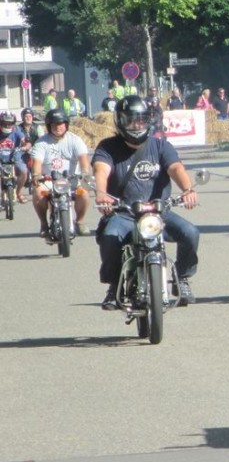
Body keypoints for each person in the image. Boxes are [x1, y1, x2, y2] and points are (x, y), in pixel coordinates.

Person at [93, 96, 200, 309]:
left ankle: (183, 278)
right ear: (121, 122)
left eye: (141, 120)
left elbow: (176, 168)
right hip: (124, 213)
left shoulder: (160, 145)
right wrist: (101, 193)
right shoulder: (108, 147)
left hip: (158, 212)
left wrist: (187, 189)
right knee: (110, 237)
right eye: (132, 120)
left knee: (190, 232)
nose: (137, 125)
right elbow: (100, 170)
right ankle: (114, 285)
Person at [30, 109, 92, 237]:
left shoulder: (75, 140)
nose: (58, 127)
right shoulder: (41, 143)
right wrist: (36, 175)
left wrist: (85, 173)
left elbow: (84, 160)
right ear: (49, 126)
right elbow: (36, 163)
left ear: (66, 125)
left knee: (84, 192)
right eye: (54, 124)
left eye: (61, 124)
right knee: (37, 192)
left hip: (71, 180)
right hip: (48, 181)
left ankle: (79, 221)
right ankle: (43, 224)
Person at [0, 112, 29, 204]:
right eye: (5, 124)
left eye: (10, 124)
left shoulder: (16, 130)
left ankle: (19, 192)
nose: (7, 126)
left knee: (24, 172)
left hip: (14, 156)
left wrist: (25, 146)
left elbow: (25, 141)